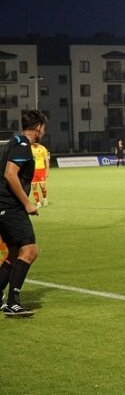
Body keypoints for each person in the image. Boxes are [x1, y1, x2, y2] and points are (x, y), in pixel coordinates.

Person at [0, 109, 47, 317]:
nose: (43, 132)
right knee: (29, 252)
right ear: (38, 128)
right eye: (43, 128)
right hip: (11, 208)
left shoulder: (14, 141)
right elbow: (10, 175)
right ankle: (13, 302)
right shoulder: (22, 145)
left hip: (5, 207)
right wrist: (27, 203)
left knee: (13, 254)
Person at [31, 141, 50, 207]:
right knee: (34, 187)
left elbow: (47, 160)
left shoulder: (43, 148)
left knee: (43, 187)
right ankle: (38, 203)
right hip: (32, 170)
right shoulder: (29, 149)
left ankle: (45, 199)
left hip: (41, 170)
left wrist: (47, 170)